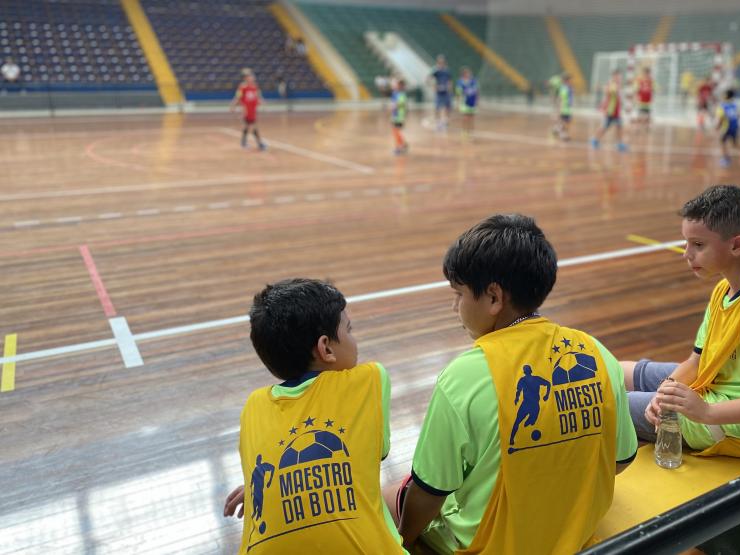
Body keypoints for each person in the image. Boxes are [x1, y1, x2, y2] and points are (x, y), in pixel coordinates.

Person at [389, 214, 638, 554]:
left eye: (459, 294)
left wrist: (404, 539)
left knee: (392, 496)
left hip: (491, 545)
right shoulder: (597, 353)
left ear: (493, 297)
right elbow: (620, 460)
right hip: (577, 533)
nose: (454, 307)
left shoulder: (464, 376)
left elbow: (429, 492)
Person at [623, 185, 740, 459]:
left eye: (698, 245)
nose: (687, 253)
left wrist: (706, 412)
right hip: (715, 386)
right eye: (686, 243)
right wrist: (665, 392)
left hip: (732, 421)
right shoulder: (724, 289)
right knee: (619, 372)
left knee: (608, 405)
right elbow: (697, 362)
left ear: (736, 245)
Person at [222, 279, 406, 554]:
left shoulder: (253, 406)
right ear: (326, 349)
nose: (354, 340)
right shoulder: (370, 380)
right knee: (401, 494)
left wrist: (275, 487)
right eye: (349, 330)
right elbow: (371, 454)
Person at [591, 71, 627, 152]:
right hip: (610, 111)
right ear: (614, 77)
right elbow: (608, 91)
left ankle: (620, 144)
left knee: (619, 127)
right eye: (617, 77)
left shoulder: (617, 86)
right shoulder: (612, 85)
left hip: (616, 111)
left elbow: (618, 97)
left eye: (620, 77)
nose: (619, 78)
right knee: (604, 127)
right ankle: (595, 140)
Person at [230, 70, 266, 151]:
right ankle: (259, 144)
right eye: (250, 77)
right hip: (246, 110)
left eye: (252, 77)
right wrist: (233, 105)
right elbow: (238, 97)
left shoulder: (255, 86)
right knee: (252, 126)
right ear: (246, 78)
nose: (252, 78)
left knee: (247, 126)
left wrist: (262, 102)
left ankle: (244, 142)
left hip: (253, 110)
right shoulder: (243, 87)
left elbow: (258, 96)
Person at [715, 89, 740, 167]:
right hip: (735, 127)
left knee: (722, 142)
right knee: (734, 144)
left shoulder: (722, 106)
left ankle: (726, 159)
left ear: (725, 96)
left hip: (726, 127)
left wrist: (717, 127)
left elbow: (720, 118)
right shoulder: (735, 105)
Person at [429, 55, 452, 131]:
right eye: (439, 62)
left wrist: (449, 88)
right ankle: (438, 123)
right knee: (437, 108)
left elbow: (449, 81)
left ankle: (446, 122)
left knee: (447, 107)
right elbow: (428, 79)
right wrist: (434, 87)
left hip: (446, 92)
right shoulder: (435, 70)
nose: (441, 63)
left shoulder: (447, 70)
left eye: (442, 62)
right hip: (439, 93)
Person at [454, 67, 479, 137]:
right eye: (467, 73)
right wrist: (458, 103)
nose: (469, 74)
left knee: (472, 117)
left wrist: (477, 100)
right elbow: (458, 93)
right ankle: (464, 131)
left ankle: (471, 131)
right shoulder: (460, 82)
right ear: (464, 74)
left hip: (472, 102)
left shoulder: (473, 81)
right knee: (465, 117)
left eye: (469, 73)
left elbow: (476, 91)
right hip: (464, 102)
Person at [390, 78, 408, 155]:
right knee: (395, 131)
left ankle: (400, 146)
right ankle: (402, 144)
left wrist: (394, 106)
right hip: (395, 115)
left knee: (396, 131)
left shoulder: (401, 94)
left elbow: (400, 104)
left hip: (399, 115)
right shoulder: (395, 93)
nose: (394, 85)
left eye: (396, 84)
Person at [553, 73, 573, 141]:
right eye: (570, 79)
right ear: (566, 80)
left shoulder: (569, 87)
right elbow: (560, 98)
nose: (571, 81)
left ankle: (557, 129)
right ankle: (563, 135)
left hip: (568, 108)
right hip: (564, 108)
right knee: (565, 122)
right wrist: (558, 108)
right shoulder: (563, 88)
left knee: (567, 122)